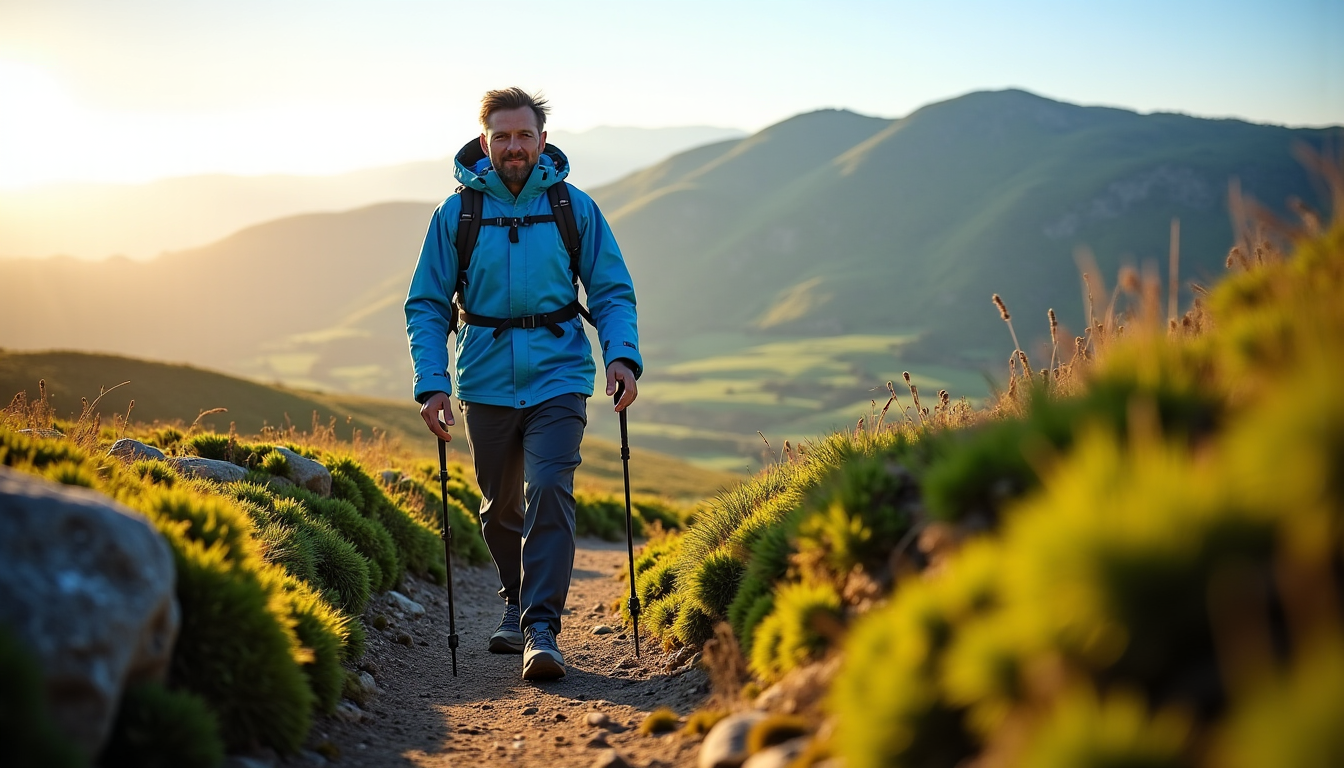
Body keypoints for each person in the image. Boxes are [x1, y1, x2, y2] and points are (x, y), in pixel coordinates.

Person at [404, 88, 642, 681]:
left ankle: (541, 629)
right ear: (485, 142)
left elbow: (610, 289)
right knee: (499, 507)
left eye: (524, 135)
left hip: (560, 375)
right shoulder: (456, 214)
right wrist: (432, 383)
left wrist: (622, 357)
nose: (514, 147)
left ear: (542, 140)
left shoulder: (573, 207)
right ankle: (515, 599)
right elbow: (427, 305)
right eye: (502, 136)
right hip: (483, 380)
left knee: (550, 489)